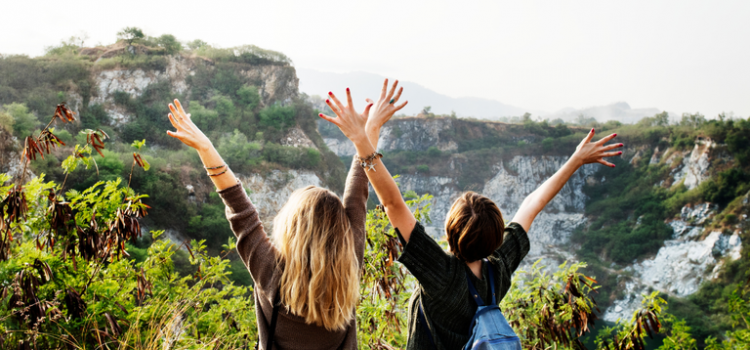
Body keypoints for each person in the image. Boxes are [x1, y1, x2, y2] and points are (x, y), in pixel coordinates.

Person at [319, 86, 623, 350]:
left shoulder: (442, 274)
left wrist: (362, 139)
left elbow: (392, 203)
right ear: (496, 238)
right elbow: (534, 204)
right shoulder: (499, 270)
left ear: (451, 231)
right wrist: (575, 160)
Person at [164, 85, 404, 349]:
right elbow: (358, 191)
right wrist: (368, 131)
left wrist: (205, 146)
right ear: (342, 232)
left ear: (291, 228)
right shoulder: (350, 263)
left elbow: (238, 206)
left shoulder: (271, 273)